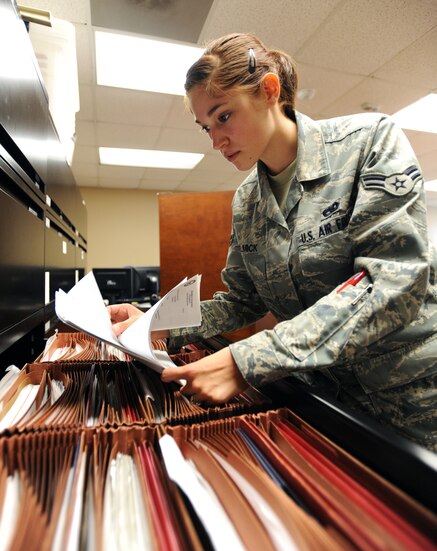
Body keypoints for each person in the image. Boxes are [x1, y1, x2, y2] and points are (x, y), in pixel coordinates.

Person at [108, 33, 437, 451]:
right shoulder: (248, 198)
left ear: (268, 90)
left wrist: (249, 360)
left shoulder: (368, 141)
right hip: (328, 402)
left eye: (223, 116)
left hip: (412, 401)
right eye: (205, 127)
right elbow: (241, 300)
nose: (215, 141)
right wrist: (154, 322)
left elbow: (392, 283)